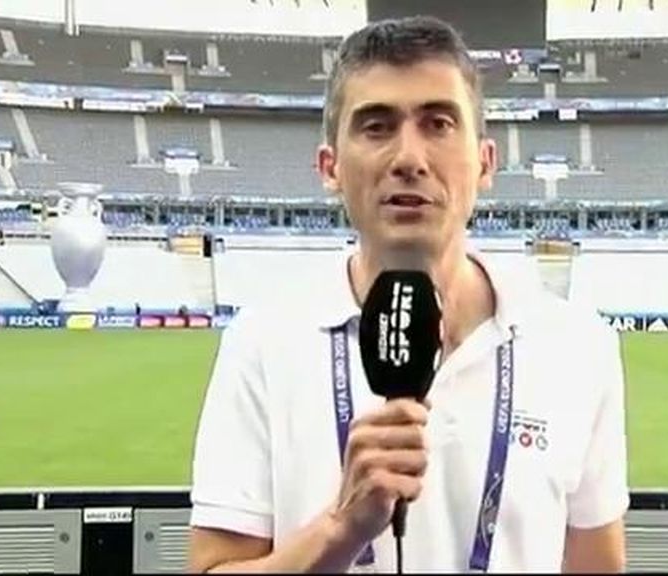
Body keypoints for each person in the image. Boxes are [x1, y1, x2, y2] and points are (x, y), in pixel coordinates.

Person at [187, 15, 630, 573]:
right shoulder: (262, 343)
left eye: (438, 124)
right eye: (376, 127)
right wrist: (340, 530)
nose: (409, 159)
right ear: (330, 167)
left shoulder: (577, 346)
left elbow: (596, 566)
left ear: (485, 162)